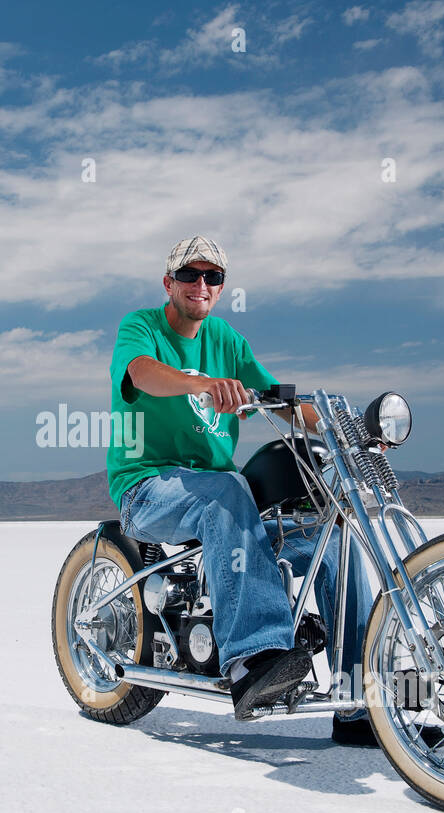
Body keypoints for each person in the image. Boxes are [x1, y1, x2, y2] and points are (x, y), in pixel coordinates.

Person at [106, 235, 380, 742]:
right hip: (147, 486)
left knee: (331, 539)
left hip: (214, 489)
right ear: (169, 283)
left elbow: (280, 401)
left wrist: (350, 429)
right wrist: (203, 384)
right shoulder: (141, 327)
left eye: (213, 277)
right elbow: (141, 373)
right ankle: (252, 661)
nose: (201, 285)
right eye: (190, 275)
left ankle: (360, 704)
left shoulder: (228, 341)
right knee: (231, 489)